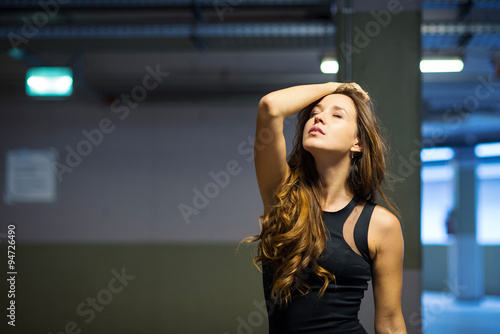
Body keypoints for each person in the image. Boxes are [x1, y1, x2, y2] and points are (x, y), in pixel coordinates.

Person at [242, 82, 406, 333]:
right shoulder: (282, 198)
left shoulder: (381, 225)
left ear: (357, 143)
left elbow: (391, 323)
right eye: (315, 113)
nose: (319, 117)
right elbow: (270, 107)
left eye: (336, 114)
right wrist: (336, 85)